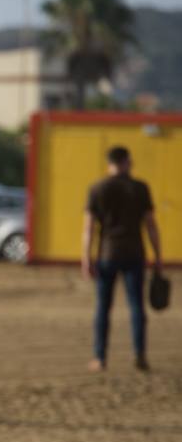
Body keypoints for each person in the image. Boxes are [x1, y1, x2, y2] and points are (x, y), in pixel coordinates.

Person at [83, 145, 163, 372]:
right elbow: (151, 225)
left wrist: (86, 258)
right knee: (137, 306)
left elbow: (88, 228)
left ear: (109, 163)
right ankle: (140, 355)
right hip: (135, 254)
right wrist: (157, 256)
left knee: (103, 308)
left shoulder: (97, 188)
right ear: (128, 162)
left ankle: (100, 358)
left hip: (107, 254)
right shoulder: (140, 188)